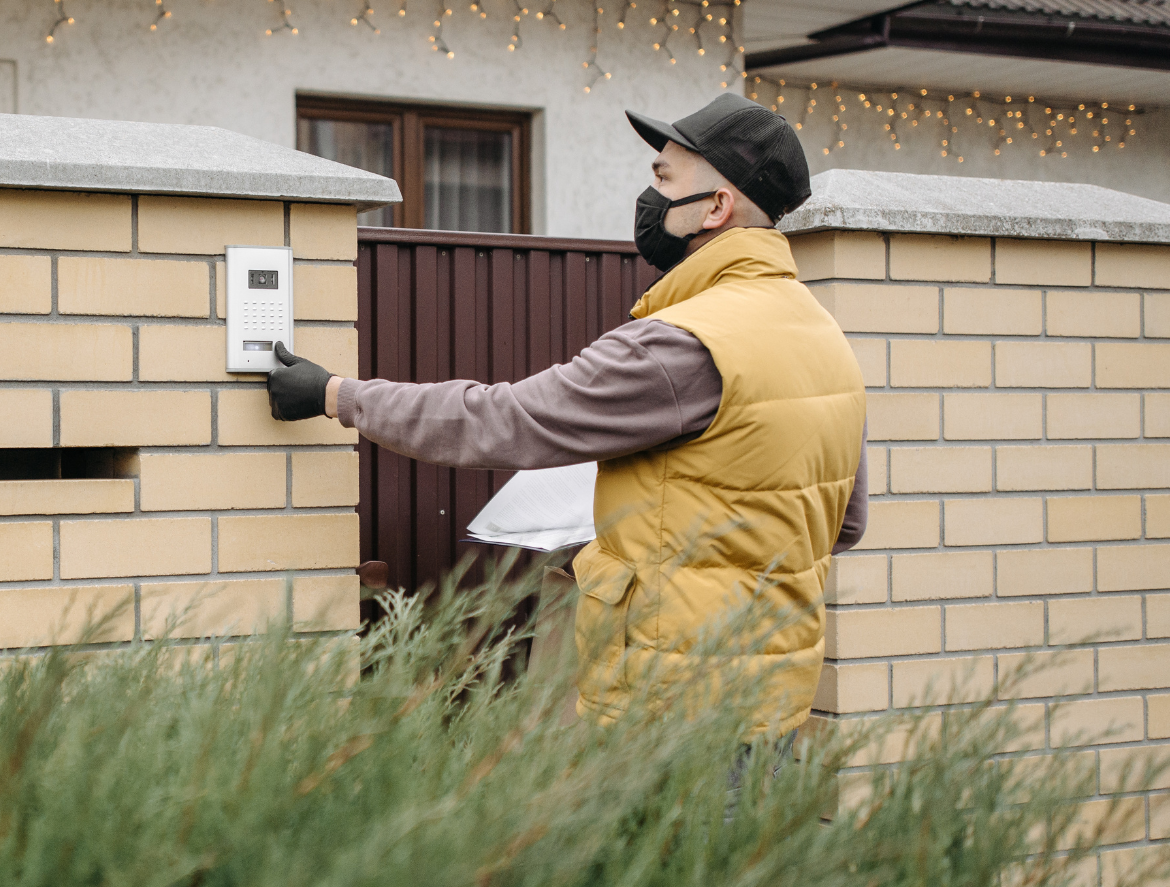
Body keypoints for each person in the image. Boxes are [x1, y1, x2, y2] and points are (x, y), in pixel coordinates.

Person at [267, 93, 868, 747]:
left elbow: (501, 421)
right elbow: (844, 521)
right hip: (771, 699)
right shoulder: (825, 338)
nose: (649, 195)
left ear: (717, 207)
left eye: (664, 179)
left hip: (668, 709)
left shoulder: (679, 345)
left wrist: (333, 395)